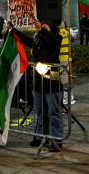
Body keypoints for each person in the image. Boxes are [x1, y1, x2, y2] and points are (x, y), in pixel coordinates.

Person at [9, 20, 64, 151]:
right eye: (42, 26)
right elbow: (26, 40)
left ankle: (56, 140)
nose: (42, 28)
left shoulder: (56, 37)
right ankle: (40, 136)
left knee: (53, 111)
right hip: (38, 82)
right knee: (40, 111)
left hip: (52, 80)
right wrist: (13, 30)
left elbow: (53, 43)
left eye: (46, 27)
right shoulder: (38, 39)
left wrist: (42, 30)